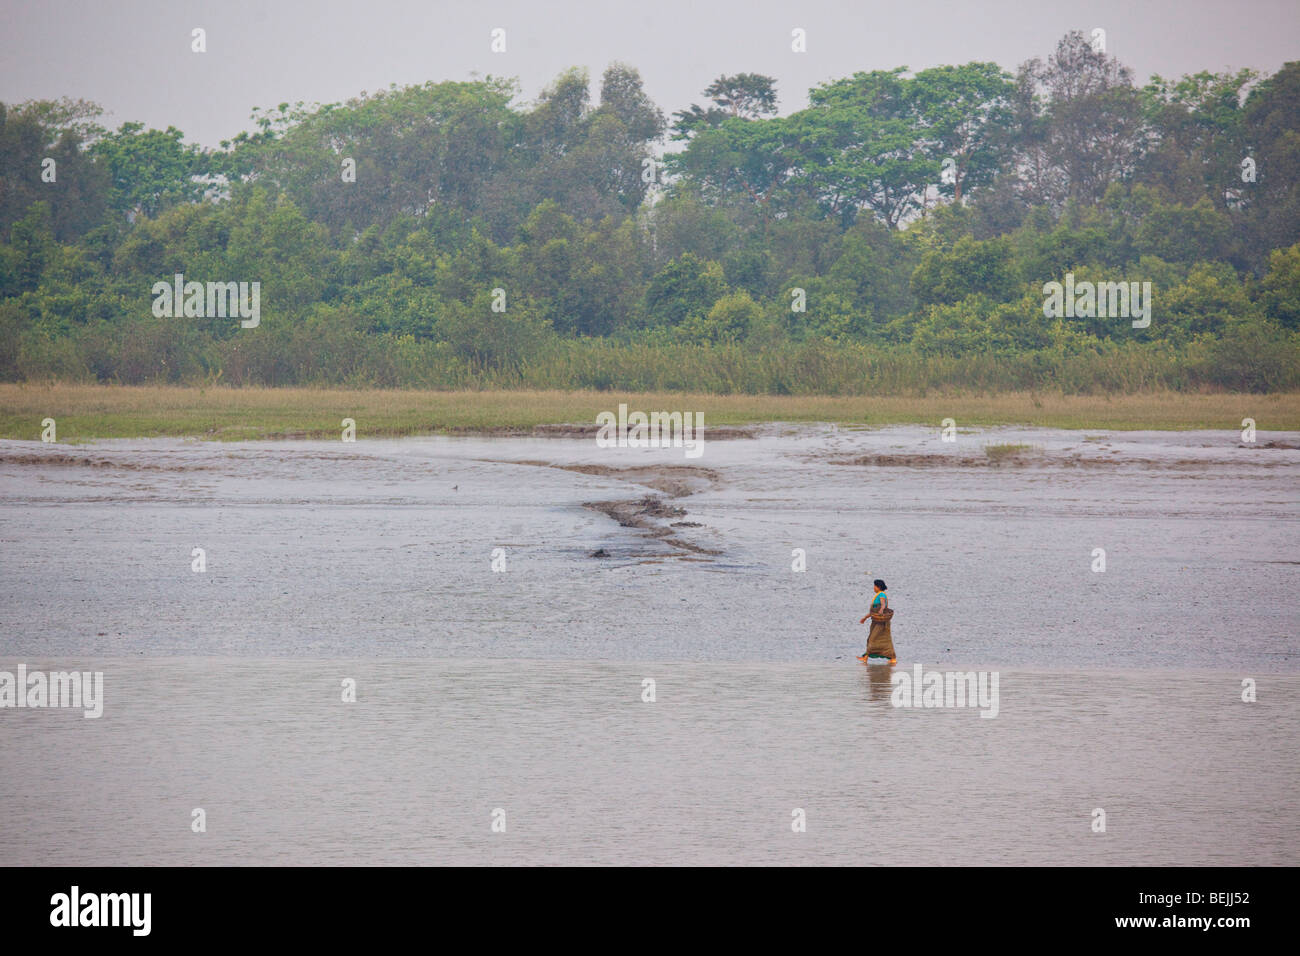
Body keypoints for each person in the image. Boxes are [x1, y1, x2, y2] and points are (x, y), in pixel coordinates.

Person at [857, 579, 896, 664]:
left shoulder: (881, 594)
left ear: (878, 587)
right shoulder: (878, 595)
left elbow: (883, 605)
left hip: (881, 622)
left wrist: (881, 610)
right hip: (876, 621)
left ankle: (892, 658)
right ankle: (865, 657)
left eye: (874, 586)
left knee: (873, 639)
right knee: (873, 638)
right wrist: (865, 618)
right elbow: (873, 611)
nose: (874, 588)